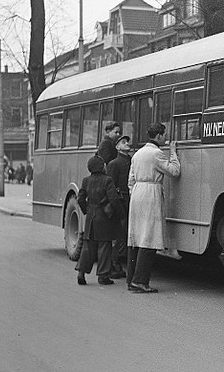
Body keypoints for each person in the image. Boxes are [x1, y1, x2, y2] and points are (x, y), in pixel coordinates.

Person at [126, 122, 180, 293]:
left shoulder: (137, 154)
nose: (165, 138)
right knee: (148, 238)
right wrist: (173, 153)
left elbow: (130, 180)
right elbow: (174, 171)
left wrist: (135, 193)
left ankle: (131, 280)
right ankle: (140, 281)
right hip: (151, 193)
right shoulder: (156, 153)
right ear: (158, 136)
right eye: (164, 135)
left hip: (137, 193)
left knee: (136, 237)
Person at [75, 155, 123, 286]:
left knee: (88, 247)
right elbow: (113, 199)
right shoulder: (108, 180)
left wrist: (87, 211)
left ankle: (81, 273)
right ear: (102, 167)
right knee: (104, 247)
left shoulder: (86, 180)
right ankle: (103, 276)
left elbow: (80, 199)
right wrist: (120, 214)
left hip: (91, 218)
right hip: (104, 219)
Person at [106, 134, 133, 278]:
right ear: (117, 147)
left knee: (125, 234)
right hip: (120, 202)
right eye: (123, 142)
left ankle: (118, 263)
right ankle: (113, 265)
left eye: (127, 141)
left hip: (130, 201)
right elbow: (110, 187)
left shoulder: (131, 160)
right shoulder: (114, 164)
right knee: (117, 235)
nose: (127, 144)